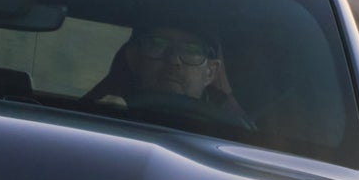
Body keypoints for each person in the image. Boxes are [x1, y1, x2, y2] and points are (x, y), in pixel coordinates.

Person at [87, 19, 251, 128]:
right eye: (158, 44)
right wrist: (104, 118)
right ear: (133, 58)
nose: (173, 60)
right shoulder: (101, 115)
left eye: (191, 50)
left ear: (211, 72)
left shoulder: (234, 134)